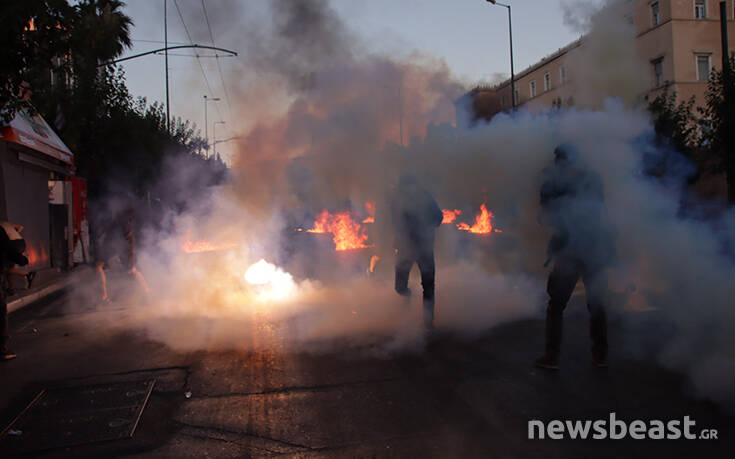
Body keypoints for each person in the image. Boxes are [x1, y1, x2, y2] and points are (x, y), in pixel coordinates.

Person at [535, 145, 615, 370]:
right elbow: (600, 211)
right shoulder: (591, 180)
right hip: (592, 248)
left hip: (571, 250)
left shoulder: (553, 184)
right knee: (596, 303)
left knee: (557, 305)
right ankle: (601, 355)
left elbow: (545, 217)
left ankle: (552, 357)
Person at [390, 173, 443, 329]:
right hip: (404, 248)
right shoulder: (397, 200)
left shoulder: (425, 198)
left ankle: (428, 323)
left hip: (424, 247)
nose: (408, 190)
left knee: (428, 286)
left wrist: (425, 225)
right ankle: (408, 296)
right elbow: (392, 221)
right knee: (399, 287)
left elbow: (439, 217)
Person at [1, 221, 30, 361]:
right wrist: (22, 260)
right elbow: (8, 249)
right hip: (15, 245)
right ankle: (3, 349)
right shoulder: (4, 227)